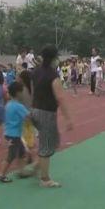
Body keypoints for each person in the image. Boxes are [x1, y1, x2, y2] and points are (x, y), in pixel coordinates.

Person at [29, 45, 73, 188]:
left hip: (35, 110)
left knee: (53, 141)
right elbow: (60, 97)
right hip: (46, 113)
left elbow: (32, 91)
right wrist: (68, 118)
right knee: (47, 145)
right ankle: (45, 179)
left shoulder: (36, 72)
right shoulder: (52, 75)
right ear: (54, 58)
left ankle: (37, 166)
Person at [0, 81, 32, 183]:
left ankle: (21, 171)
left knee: (21, 152)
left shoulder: (9, 104)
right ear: (18, 93)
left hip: (10, 132)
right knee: (11, 155)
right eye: (22, 92)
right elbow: (28, 116)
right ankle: (1, 174)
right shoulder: (18, 106)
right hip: (14, 134)